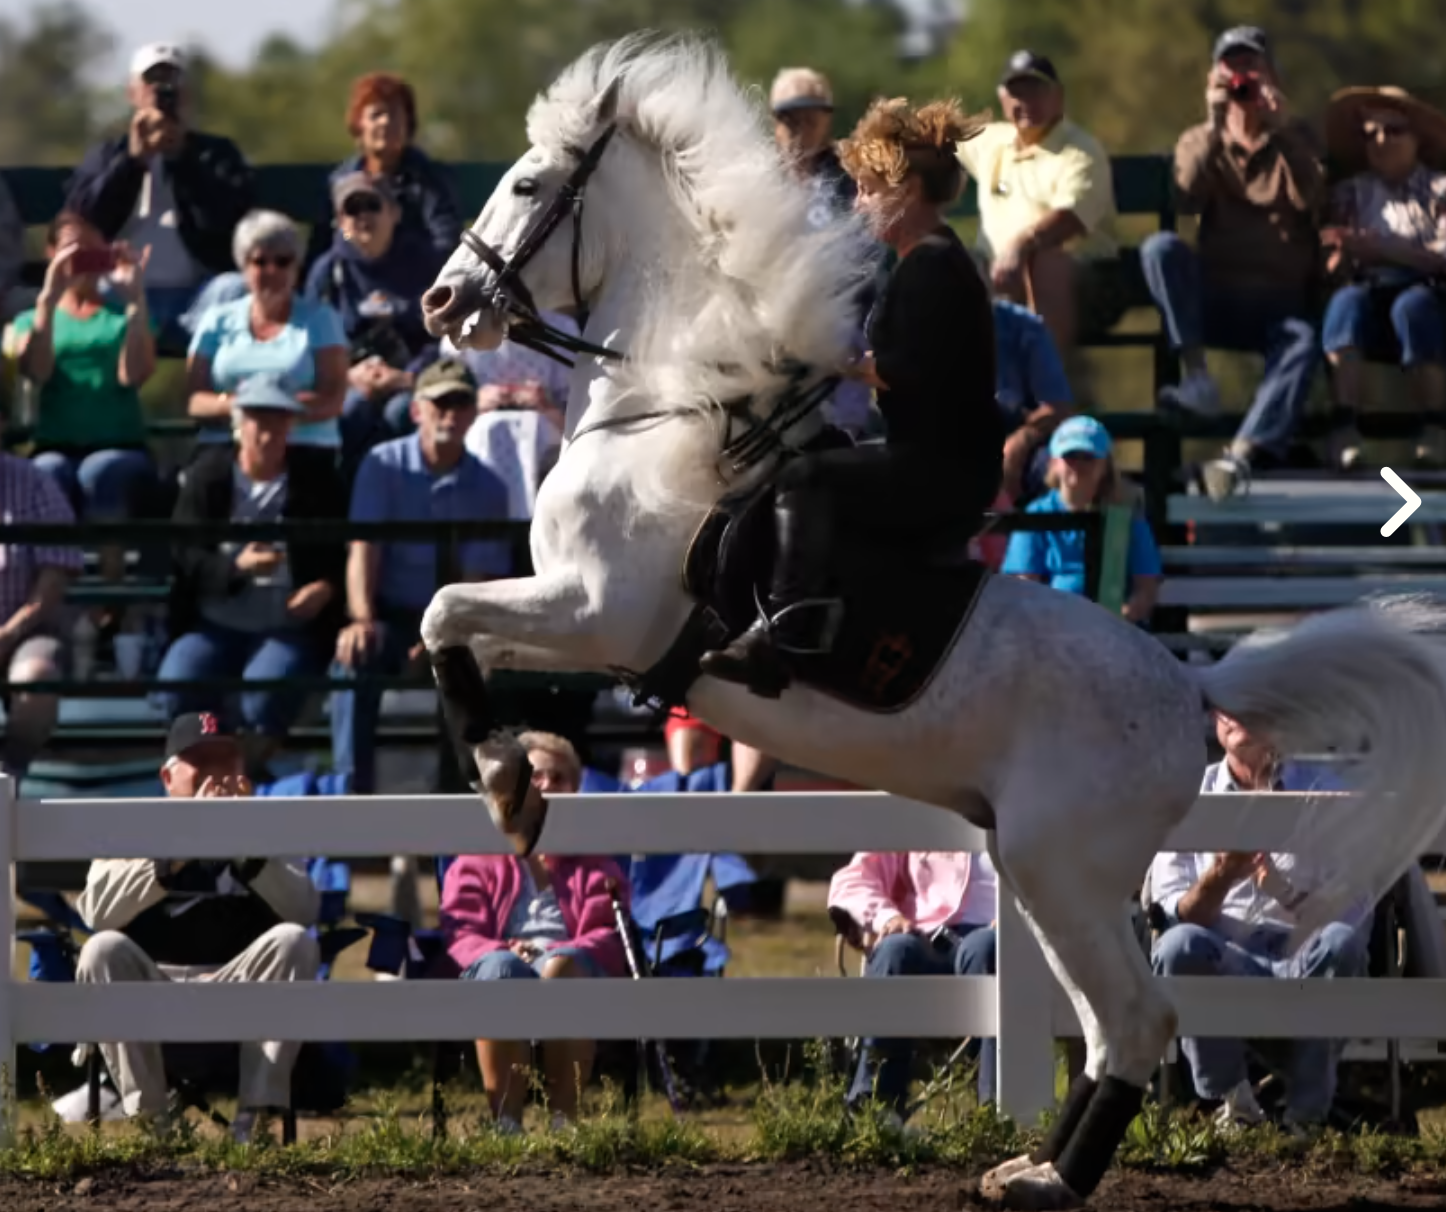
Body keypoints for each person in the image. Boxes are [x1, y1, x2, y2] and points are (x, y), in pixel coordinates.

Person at [700, 96, 1005, 696]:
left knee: (803, 480)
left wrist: (838, 362)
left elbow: (908, 371)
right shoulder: (925, 261)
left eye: (867, 189)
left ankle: (784, 635)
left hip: (941, 470)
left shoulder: (932, 267)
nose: (858, 202)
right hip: (936, 459)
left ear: (908, 188)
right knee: (813, 456)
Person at [73, 711, 320, 1139]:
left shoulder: (269, 829)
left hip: (239, 990)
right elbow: (97, 912)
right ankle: (155, 1126)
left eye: (226, 760)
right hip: (153, 991)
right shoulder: (129, 827)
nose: (216, 774)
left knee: (294, 940)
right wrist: (183, 846)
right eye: (201, 761)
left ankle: (255, 1119)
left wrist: (245, 846)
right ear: (167, 778)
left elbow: (303, 910)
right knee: (101, 949)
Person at [1148, 711, 1371, 1134]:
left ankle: (1306, 1116)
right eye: (1230, 703)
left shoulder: (1326, 792)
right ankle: (1235, 1104)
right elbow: (1172, 910)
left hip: (1304, 951)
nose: (1240, 714)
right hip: (1223, 957)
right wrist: (1220, 876)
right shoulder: (1188, 797)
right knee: (1179, 946)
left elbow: (1353, 904)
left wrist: (1283, 892)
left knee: (1341, 942)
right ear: (1216, 719)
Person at [1140, 26, 1325, 501]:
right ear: (1215, 77)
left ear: (1272, 76)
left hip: (1278, 302)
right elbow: (1185, 200)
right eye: (1232, 68)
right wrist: (1213, 123)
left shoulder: (1299, 137)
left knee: (1302, 341)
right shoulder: (1199, 140)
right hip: (1217, 297)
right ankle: (1197, 377)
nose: (1242, 78)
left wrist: (1281, 131)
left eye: (1252, 67)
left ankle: (1240, 453)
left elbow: (1313, 199)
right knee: (1160, 249)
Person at [329, 359, 511, 794]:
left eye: (461, 402)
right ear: (416, 411)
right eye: (439, 402)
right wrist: (361, 620)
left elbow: (476, 580)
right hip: (387, 615)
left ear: (473, 413)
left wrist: (441, 638)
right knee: (351, 660)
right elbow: (363, 550)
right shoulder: (382, 464)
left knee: (468, 670)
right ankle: (346, 801)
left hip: (451, 623)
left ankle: (459, 809)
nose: (449, 413)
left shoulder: (491, 486)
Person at [439, 731, 629, 1133]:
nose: (546, 786)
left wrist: (557, 956)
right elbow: (461, 930)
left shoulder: (595, 860)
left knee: (562, 970)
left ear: (576, 790)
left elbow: (608, 930)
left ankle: (564, 1125)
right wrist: (504, 950)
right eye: (535, 776)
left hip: (571, 962)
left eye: (559, 778)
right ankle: (506, 1126)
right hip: (501, 961)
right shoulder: (477, 856)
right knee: (501, 969)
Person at [155, 374, 347, 772]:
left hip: (286, 622)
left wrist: (326, 588)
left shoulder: (316, 478)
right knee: (179, 681)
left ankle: (246, 774)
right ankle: (197, 774)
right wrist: (235, 567)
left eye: (278, 420)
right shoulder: (207, 475)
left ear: (291, 425)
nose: (267, 432)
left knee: (265, 694)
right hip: (215, 622)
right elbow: (183, 556)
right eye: (258, 420)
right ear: (238, 425)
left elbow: (344, 552)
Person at [64, 42, 255, 349]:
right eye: (152, 83)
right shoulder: (107, 155)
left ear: (186, 96)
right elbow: (87, 219)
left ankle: (214, 395)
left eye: (171, 84)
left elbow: (226, 222)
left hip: (199, 296)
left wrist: (182, 158)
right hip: (123, 293)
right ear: (133, 93)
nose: (162, 92)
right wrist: (132, 161)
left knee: (235, 289)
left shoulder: (215, 154)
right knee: (89, 293)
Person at [13, 211, 159, 614]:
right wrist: (48, 296)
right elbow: (37, 371)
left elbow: (134, 374)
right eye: (72, 250)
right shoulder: (34, 318)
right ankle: (45, 597)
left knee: (102, 472)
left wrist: (135, 300)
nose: (82, 259)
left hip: (120, 445)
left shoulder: (119, 315)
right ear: (51, 253)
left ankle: (108, 603)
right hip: (56, 444)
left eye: (92, 250)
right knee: (46, 473)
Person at [957, 51, 1124, 356]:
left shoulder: (1080, 151)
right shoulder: (992, 142)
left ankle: (1048, 392)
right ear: (1002, 97)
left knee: (1044, 260)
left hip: (1087, 282)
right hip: (1002, 276)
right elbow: (933, 138)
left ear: (1058, 96)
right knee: (946, 265)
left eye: (1037, 89)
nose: (1027, 100)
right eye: (1018, 91)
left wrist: (1020, 247)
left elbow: (1069, 220)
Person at [1321, 85, 1446, 470]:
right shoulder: (1351, 195)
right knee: (1345, 304)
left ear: (1416, 138)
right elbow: (1328, 264)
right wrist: (1342, 253)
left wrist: (1384, 249)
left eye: (1392, 130)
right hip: (1369, 291)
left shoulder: (1438, 189)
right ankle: (1344, 426)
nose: (1380, 141)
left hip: (1428, 292)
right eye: (1371, 133)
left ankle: (1436, 428)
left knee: (1414, 308)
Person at [829, 849, 998, 1122]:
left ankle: (998, 1116)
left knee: (990, 948)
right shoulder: (920, 811)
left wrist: (1020, 914)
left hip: (996, 934)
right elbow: (854, 879)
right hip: (922, 934)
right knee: (895, 950)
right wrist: (886, 917)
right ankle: (873, 1113)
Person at [186, 210, 348, 477]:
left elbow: (332, 398)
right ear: (244, 267)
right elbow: (195, 400)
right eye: (260, 261)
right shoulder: (216, 320)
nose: (272, 270)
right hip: (225, 445)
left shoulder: (321, 319)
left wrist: (274, 417)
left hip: (304, 444)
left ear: (296, 267)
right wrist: (248, 410)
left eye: (283, 261)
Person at [305, 171, 443, 471]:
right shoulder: (327, 272)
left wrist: (410, 377)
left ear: (394, 212)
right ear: (340, 223)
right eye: (352, 210)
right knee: (352, 411)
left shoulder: (426, 264)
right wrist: (349, 375)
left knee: (405, 412)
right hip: (350, 382)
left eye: (372, 205)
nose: (363, 216)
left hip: (414, 380)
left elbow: (443, 336)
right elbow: (310, 342)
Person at [1000, 415, 1162, 625]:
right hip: (1051, 627)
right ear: (1054, 463)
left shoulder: (1124, 516)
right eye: (1071, 456)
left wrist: (1125, 616)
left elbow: (1146, 587)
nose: (1079, 465)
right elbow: (1024, 585)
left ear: (1105, 465)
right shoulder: (1036, 514)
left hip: (1113, 628)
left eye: (1088, 457)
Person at [306, 72, 464, 268]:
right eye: (376, 115)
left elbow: (447, 243)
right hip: (352, 287)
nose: (385, 122)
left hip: (415, 283)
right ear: (360, 126)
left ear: (409, 124)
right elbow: (324, 245)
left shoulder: (430, 180)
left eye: (394, 114)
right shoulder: (341, 181)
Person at [0, 421, 83, 778]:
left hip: (27, 631)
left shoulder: (33, 480)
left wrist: (8, 633)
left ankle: (9, 771)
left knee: (38, 677)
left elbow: (55, 575)